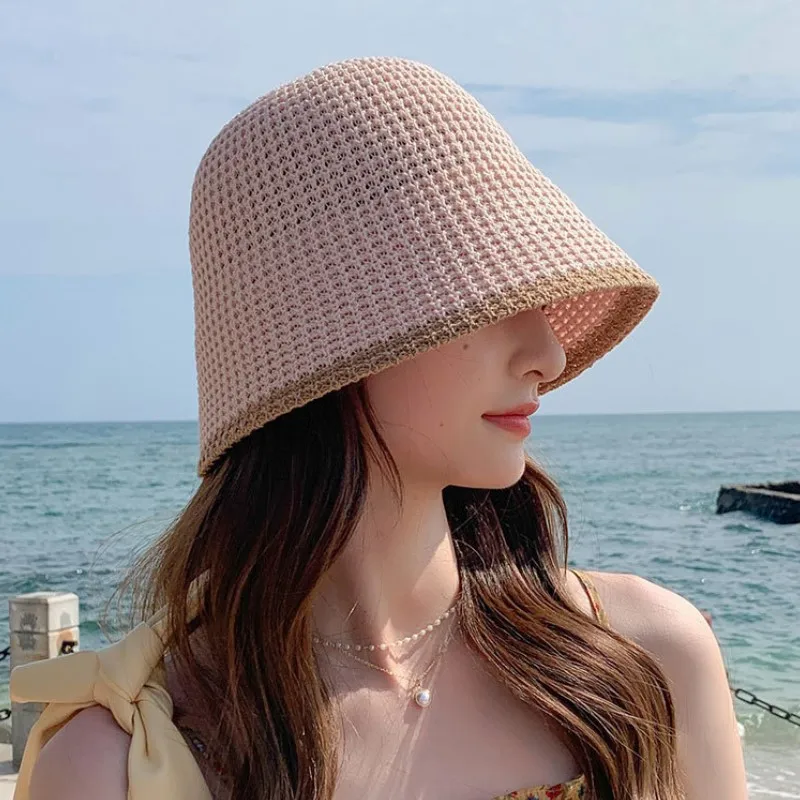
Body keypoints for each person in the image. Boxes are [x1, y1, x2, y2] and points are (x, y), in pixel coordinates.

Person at [10, 56, 747, 800]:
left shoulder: (649, 657)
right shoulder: (120, 766)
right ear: (324, 335)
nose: (548, 355)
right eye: (488, 296)